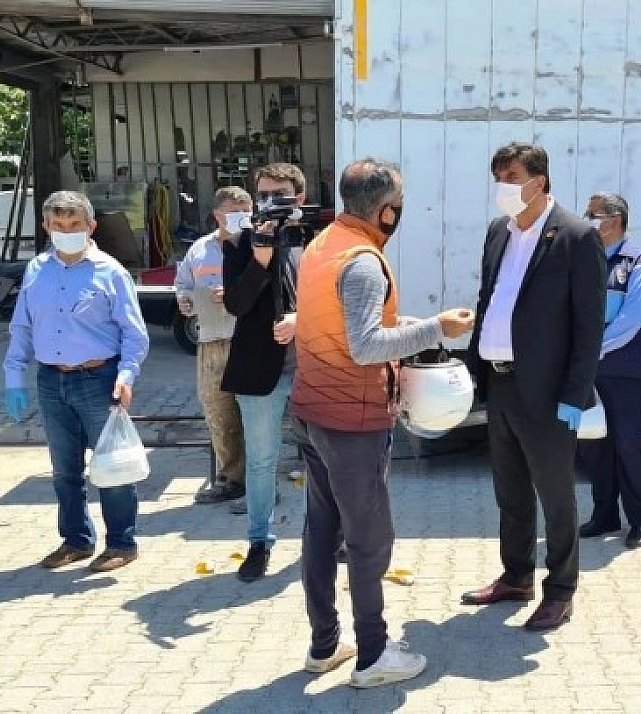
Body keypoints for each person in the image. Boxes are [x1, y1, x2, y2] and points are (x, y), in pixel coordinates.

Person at [292, 159, 474, 687]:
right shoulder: (364, 262)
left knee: (321, 532)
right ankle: (373, 655)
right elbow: (366, 345)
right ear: (387, 210)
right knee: (368, 539)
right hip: (352, 420)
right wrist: (436, 328)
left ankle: (325, 645)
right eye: (400, 204)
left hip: (313, 410)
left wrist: (418, 324)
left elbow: (349, 324)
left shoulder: (323, 245)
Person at [461, 143, 607, 632]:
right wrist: (475, 366)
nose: (502, 186)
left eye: (512, 176)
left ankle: (561, 590)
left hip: (547, 392)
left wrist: (574, 395)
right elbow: (489, 298)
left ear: (539, 181)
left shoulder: (577, 237)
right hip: (500, 382)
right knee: (511, 492)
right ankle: (516, 576)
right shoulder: (497, 232)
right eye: (497, 177)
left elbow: (589, 326)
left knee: (555, 495)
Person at [4, 190, 150, 573]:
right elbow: (22, 327)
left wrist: (126, 375)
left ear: (91, 226)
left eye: (74, 225)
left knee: (112, 467)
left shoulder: (111, 272)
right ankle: (76, 540)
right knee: (64, 470)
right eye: (58, 225)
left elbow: (134, 334)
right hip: (51, 381)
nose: (66, 231)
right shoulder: (36, 270)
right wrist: (13, 377)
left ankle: (121, 543)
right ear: (46, 226)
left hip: (99, 379)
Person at [220, 163, 306, 582]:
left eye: (279, 194)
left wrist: (300, 320)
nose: (270, 202)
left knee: (324, 459)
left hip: (311, 370)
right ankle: (259, 542)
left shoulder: (314, 242)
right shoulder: (239, 244)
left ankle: (327, 537)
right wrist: (259, 260)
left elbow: (335, 302)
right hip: (258, 373)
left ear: (299, 198)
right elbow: (235, 304)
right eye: (263, 195)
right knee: (261, 461)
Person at [576, 192, 641, 549]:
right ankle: (604, 515)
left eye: (593, 214)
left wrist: (589, 350)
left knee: (631, 444)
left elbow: (631, 322)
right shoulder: (584, 259)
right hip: (589, 370)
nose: (587, 219)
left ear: (614, 220)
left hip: (626, 371)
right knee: (593, 444)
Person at [177, 187, 249, 506]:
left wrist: (235, 293)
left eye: (246, 209)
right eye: (234, 210)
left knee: (255, 416)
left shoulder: (257, 246)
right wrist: (184, 300)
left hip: (247, 339)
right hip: (210, 342)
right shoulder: (199, 250)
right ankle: (231, 479)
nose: (242, 216)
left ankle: (260, 483)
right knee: (219, 415)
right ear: (217, 215)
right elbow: (183, 283)